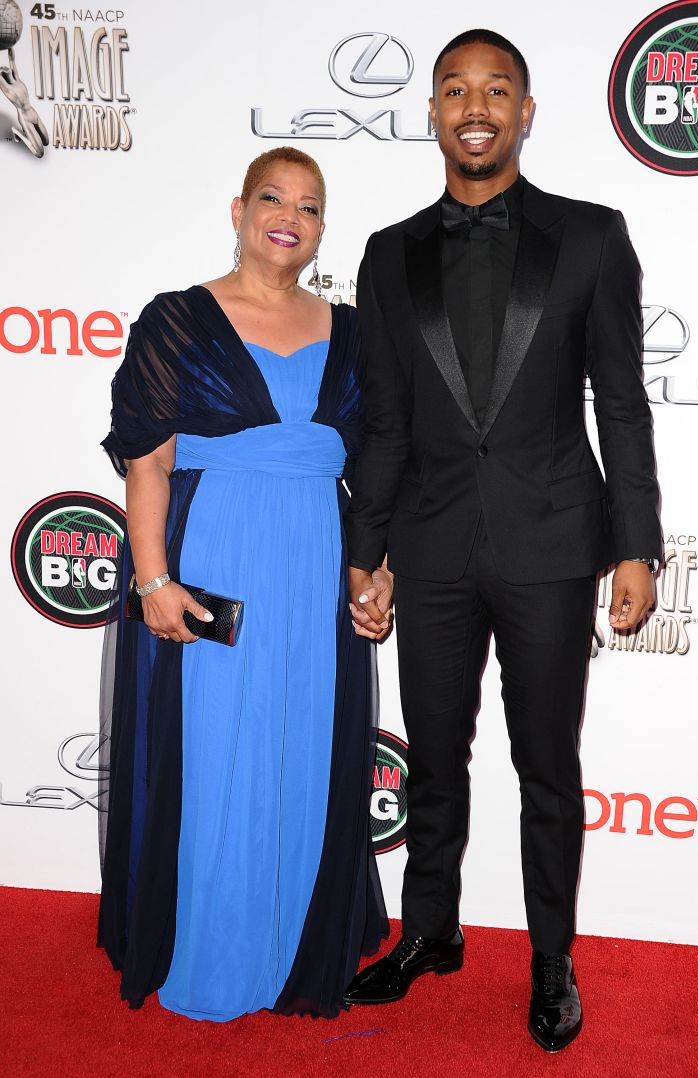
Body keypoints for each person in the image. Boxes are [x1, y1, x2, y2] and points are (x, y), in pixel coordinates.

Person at [343, 29, 662, 1053]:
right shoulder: (387, 255)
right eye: (453, 90)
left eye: (494, 90)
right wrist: (368, 550)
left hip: (554, 545)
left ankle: (551, 956)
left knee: (545, 768)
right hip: (431, 549)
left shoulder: (591, 237)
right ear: (431, 113)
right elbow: (384, 420)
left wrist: (634, 544)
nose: (472, 107)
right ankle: (429, 928)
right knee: (435, 758)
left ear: (525, 111)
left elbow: (621, 400)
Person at [97, 146, 388, 1021]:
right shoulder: (178, 319)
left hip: (314, 567)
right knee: (217, 748)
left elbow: (380, 469)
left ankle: (293, 943)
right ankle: (211, 946)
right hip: (214, 557)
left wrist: (376, 571)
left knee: (303, 740)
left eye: (308, 204)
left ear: (322, 228)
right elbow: (146, 464)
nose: (288, 215)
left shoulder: (355, 330)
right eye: (272, 196)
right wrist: (154, 579)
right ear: (238, 209)